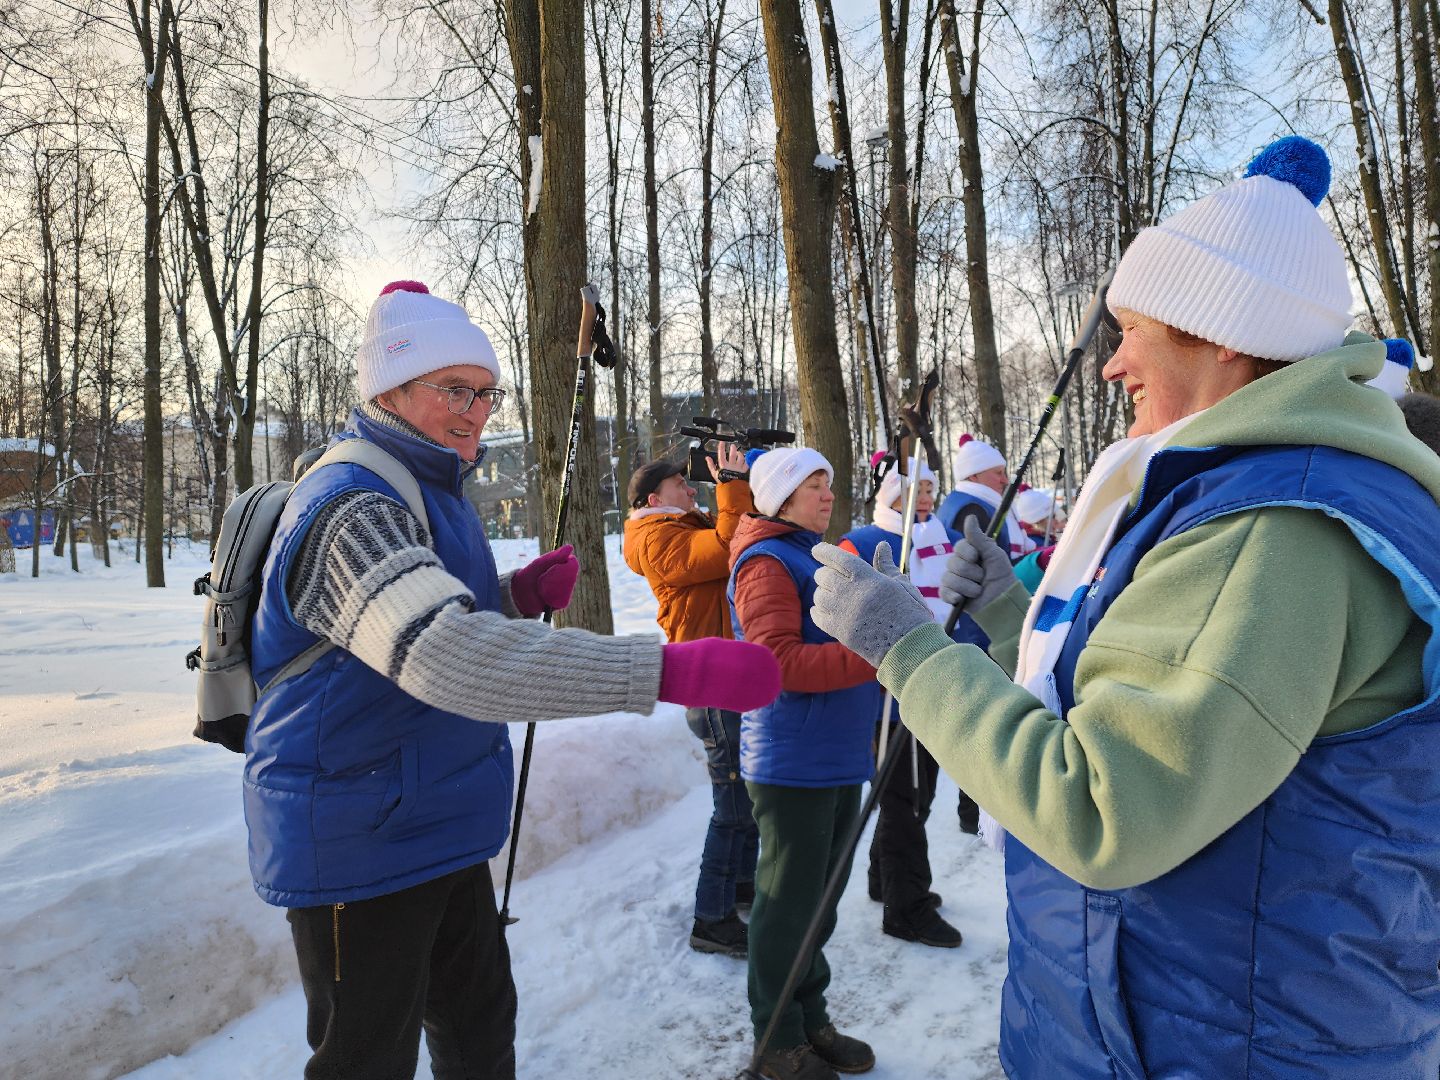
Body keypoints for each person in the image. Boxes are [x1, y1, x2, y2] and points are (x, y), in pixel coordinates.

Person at [807, 136, 1440, 1077]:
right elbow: (1178, 691)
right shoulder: (1245, 491)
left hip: (1217, 1041)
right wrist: (1019, 616)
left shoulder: (1274, 527)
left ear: (1224, 332)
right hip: (1170, 1017)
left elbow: (1108, 806)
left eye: (1134, 328)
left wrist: (908, 648)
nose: (1113, 363)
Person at [245, 279, 782, 1080]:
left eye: (488, 394)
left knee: (479, 1027)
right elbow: (440, 653)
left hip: (436, 817)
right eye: (454, 390)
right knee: (367, 1060)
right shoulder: (348, 506)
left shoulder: (433, 489)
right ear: (388, 388)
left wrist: (513, 595)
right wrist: (667, 667)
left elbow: (407, 620)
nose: (476, 412)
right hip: (357, 835)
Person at [728, 446, 880, 1080]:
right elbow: (775, 663)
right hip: (792, 760)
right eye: (813, 484)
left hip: (837, 755)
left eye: (829, 482)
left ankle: (809, 1016)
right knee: (787, 903)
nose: (827, 494)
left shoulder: (813, 555)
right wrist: (875, 653)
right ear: (780, 497)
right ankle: (776, 1035)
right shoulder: (767, 561)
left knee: (821, 901)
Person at [623, 445, 760, 957]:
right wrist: (729, 486)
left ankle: (739, 887)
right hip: (708, 682)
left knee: (744, 795)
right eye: (682, 485)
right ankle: (711, 918)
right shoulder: (656, 538)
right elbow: (726, 547)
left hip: (725, 672)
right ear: (655, 497)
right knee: (730, 804)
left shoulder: (679, 525)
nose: (692, 489)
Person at [838, 454, 962, 949]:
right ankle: (906, 907)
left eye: (931, 488)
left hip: (931, 677)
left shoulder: (935, 538)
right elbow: (842, 616)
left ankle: (884, 880)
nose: (926, 496)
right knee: (906, 798)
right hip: (886, 693)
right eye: (917, 489)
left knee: (914, 793)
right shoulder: (866, 541)